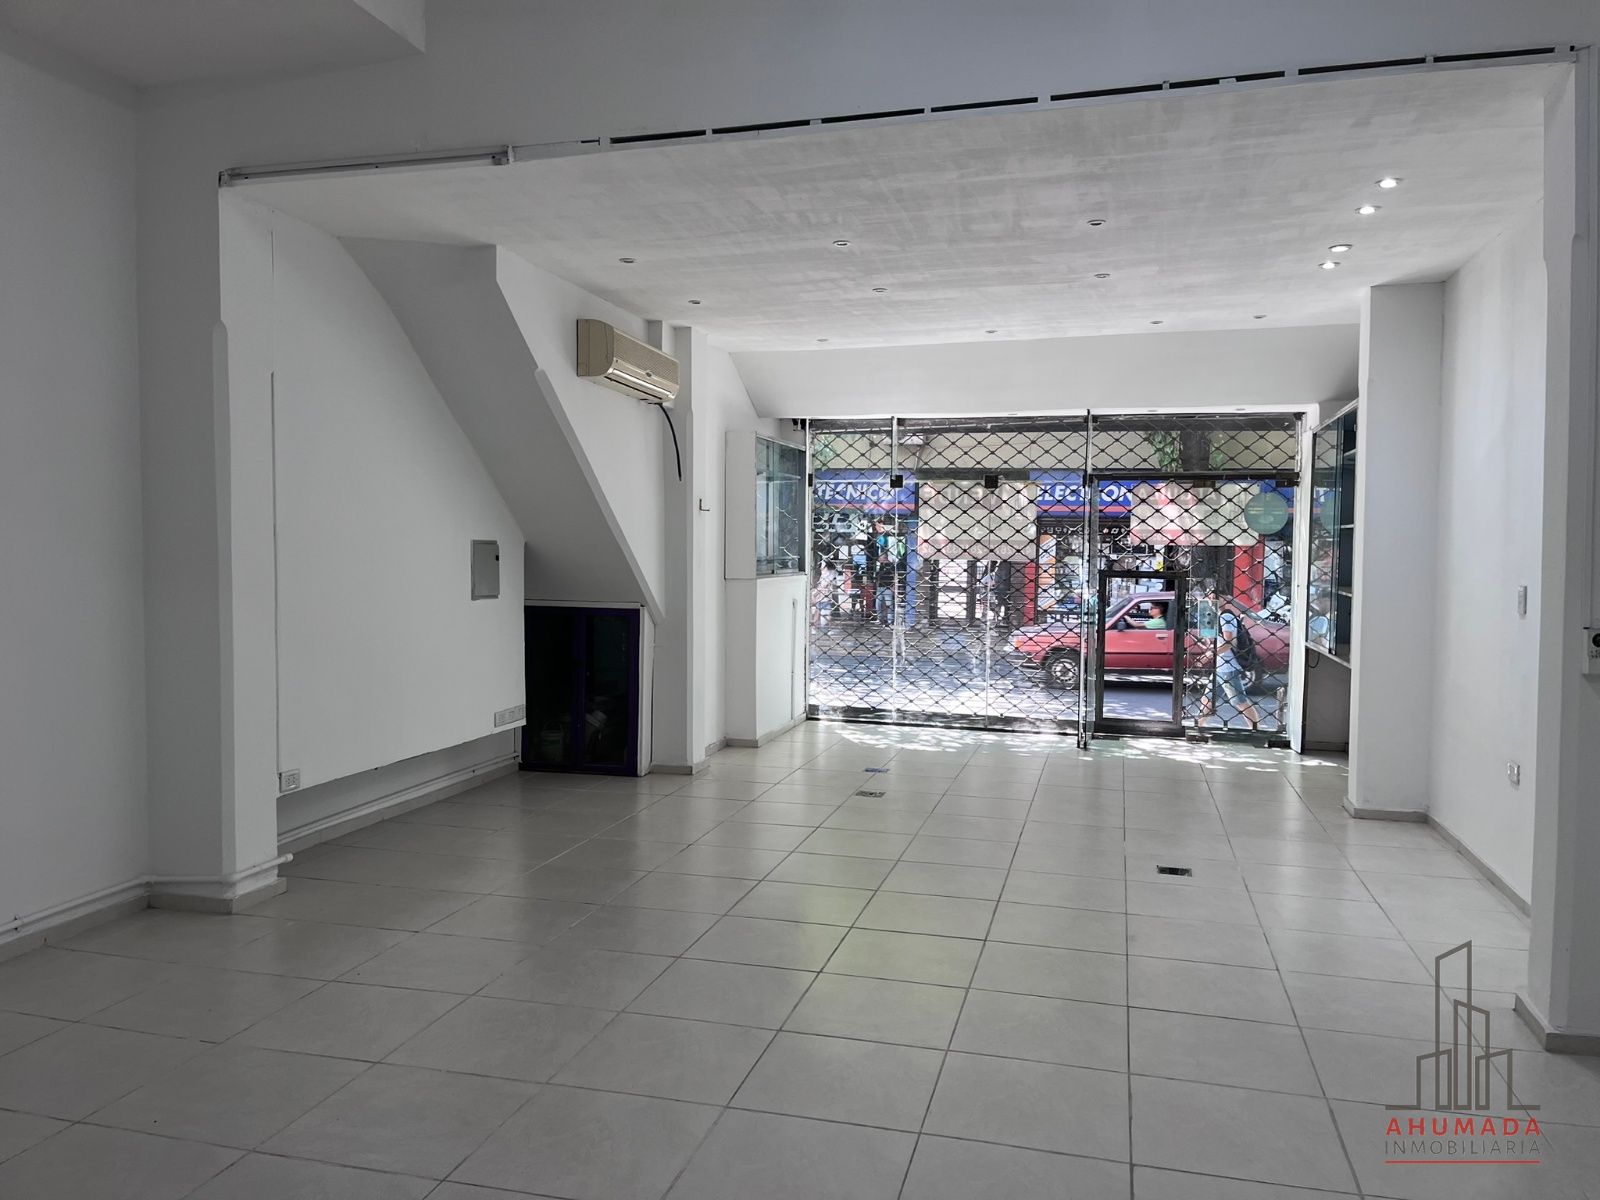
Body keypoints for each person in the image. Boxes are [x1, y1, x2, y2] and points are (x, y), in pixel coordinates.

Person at [1201, 589, 1260, 728]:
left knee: (1240, 702)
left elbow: (1229, 643)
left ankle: (1256, 729)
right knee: (1207, 699)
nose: (1212, 601)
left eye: (1216, 597)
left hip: (1228, 667)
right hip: (1221, 666)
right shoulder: (1220, 615)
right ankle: (1199, 725)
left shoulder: (1226, 617)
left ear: (1224, 599)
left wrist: (1211, 654)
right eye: (1210, 598)